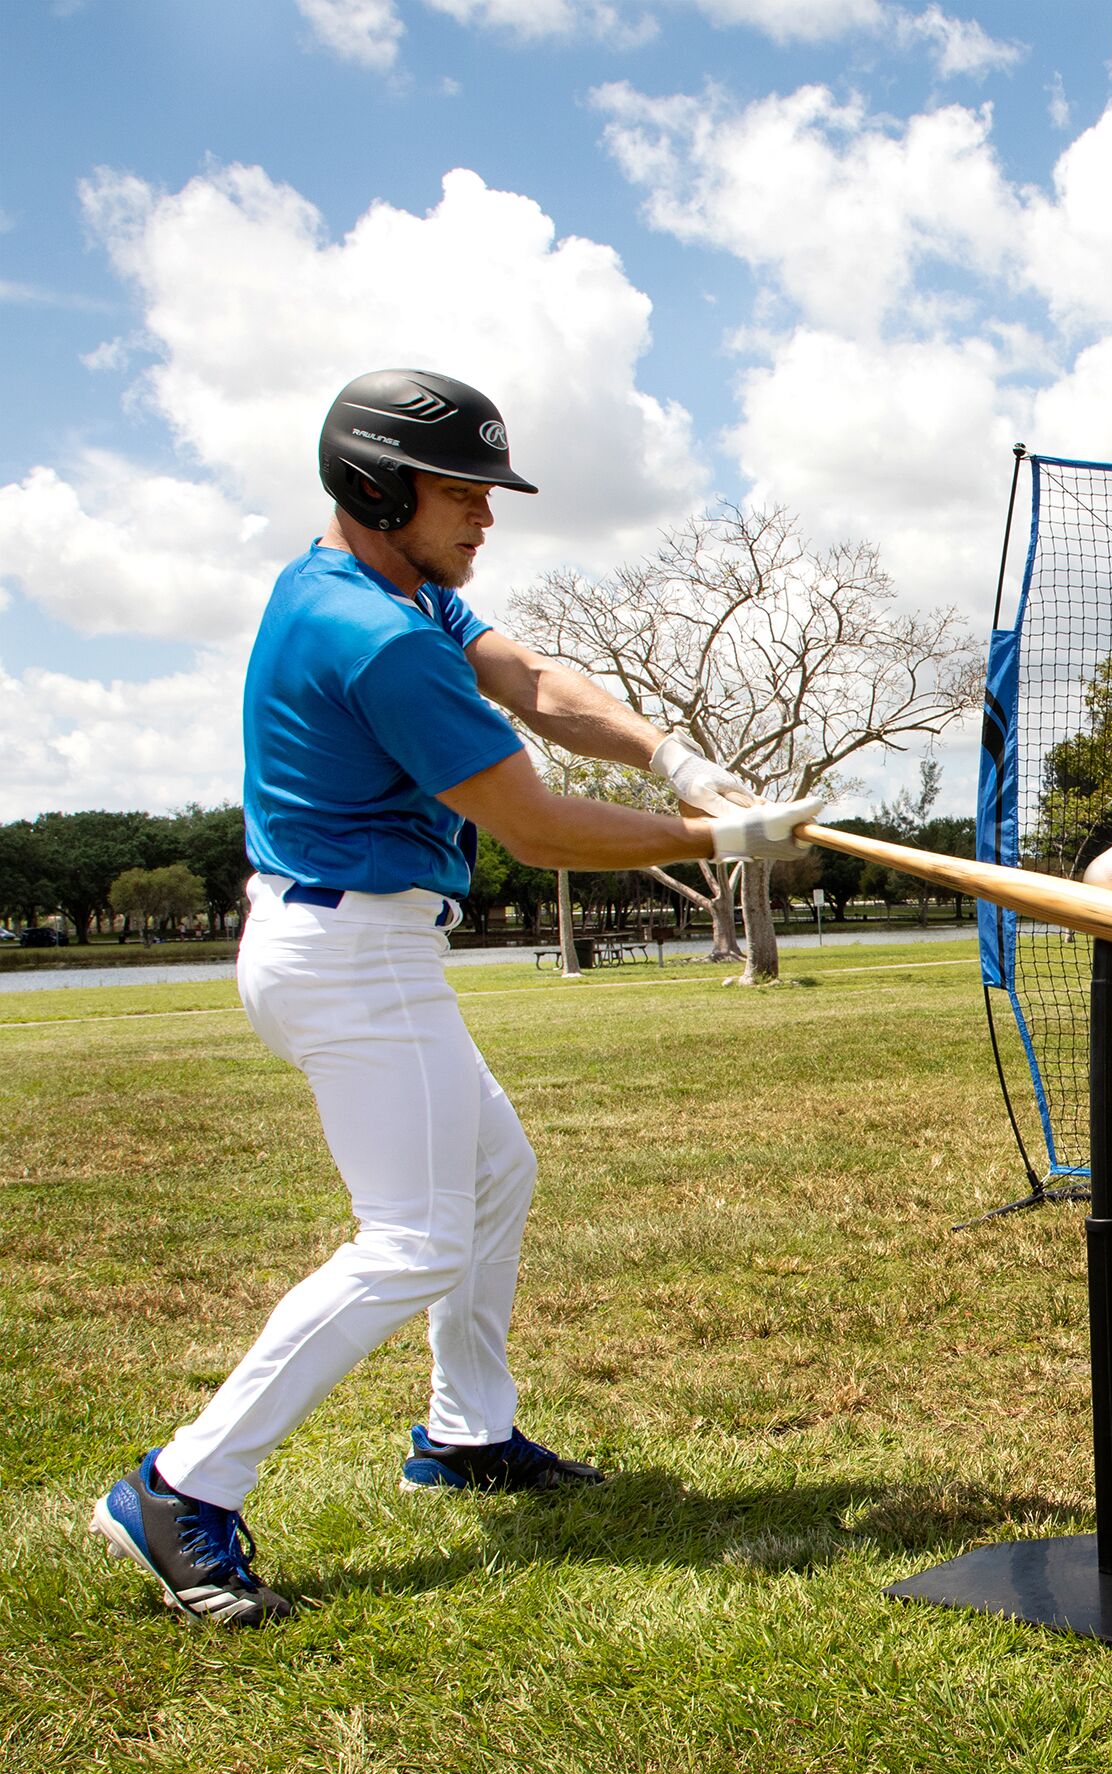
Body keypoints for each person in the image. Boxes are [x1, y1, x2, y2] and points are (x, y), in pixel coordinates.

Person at [89, 367, 817, 1627]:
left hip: (357, 943)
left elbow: (532, 679)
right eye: (461, 492)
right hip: (353, 956)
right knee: (412, 1240)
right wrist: (717, 842)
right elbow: (530, 825)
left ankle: (466, 1434)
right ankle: (178, 1485)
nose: (487, 515)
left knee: (494, 1176)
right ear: (376, 485)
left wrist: (673, 757)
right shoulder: (374, 638)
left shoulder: (385, 587)